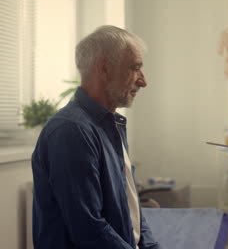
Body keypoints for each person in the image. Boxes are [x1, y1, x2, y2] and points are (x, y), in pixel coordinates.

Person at [31, 25, 159, 249]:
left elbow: (132, 212)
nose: (143, 81)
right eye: (134, 68)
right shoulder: (71, 131)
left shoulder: (111, 125)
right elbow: (89, 230)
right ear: (105, 69)